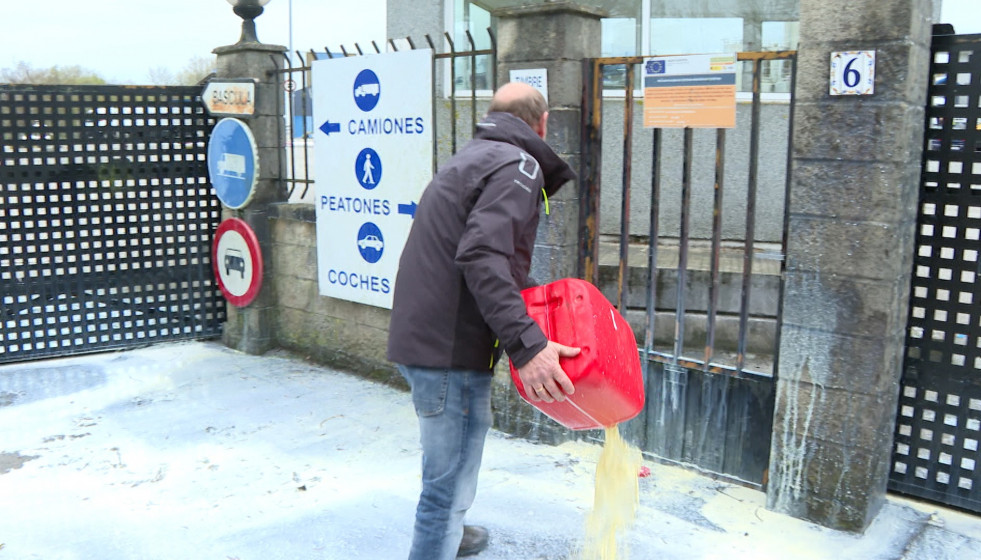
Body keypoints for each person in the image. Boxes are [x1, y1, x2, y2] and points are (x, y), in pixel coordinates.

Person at [387, 81, 581, 559]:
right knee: (446, 486)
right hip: (449, 351)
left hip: (424, 338)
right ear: (543, 122)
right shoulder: (518, 164)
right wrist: (529, 345)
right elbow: (481, 255)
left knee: (448, 464)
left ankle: (451, 529)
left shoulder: (472, 157)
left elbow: (488, 255)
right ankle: (442, 534)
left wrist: (535, 308)